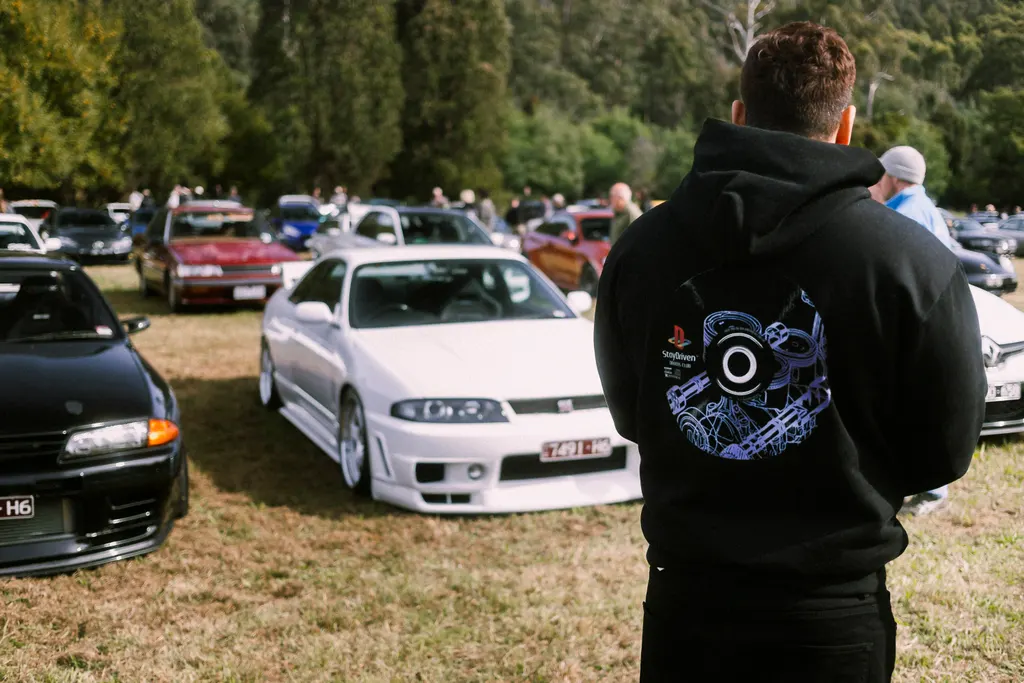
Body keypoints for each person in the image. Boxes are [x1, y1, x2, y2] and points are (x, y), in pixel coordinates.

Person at [594, 22, 985, 683]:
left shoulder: (640, 249)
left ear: (740, 113)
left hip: (686, 606)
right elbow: (944, 451)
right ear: (845, 123)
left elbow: (635, 413)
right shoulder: (911, 262)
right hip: (832, 611)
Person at [871, 147, 959, 514]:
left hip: (904, 321)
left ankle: (928, 491)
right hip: (936, 320)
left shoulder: (899, 215)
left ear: (891, 176)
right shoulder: (931, 211)